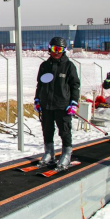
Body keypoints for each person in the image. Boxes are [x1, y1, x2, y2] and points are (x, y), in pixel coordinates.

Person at [34, 37, 81, 170]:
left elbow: (75, 86)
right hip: (46, 105)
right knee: (47, 130)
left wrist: (73, 102)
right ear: (49, 49)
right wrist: (37, 100)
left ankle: (66, 154)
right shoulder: (44, 66)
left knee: (64, 131)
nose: (56, 52)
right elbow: (40, 85)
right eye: (54, 49)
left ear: (64, 50)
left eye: (59, 50)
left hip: (62, 106)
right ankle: (49, 152)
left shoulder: (69, 66)